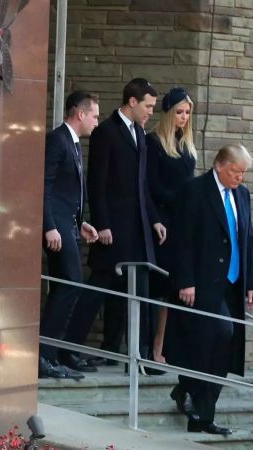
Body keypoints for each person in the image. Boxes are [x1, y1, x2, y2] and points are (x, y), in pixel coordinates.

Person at [64, 78, 166, 368]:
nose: (150, 112)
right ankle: (68, 347)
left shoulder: (140, 134)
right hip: (114, 227)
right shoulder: (106, 132)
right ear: (132, 102)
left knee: (132, 289)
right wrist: (102, 223)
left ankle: (122, 351)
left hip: (138, 227)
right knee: (99, 286)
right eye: (147, 106)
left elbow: (141, 184)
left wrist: (155, 219)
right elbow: (97, 181)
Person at [166, 143, 253, 436]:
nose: (239, 178)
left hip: (232, 285)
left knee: (223, 349)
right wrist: (185, 280)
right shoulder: (193, 190)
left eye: (243, 173)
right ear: (219, 165)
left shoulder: (242, 195)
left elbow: (247, 241)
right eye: (235, 171)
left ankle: (202, 416)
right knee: (214, 336)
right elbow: (181, 239)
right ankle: (188, 390)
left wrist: (251, 282)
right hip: (201, 283)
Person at [39, 91, 101, 379]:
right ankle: (44, 354)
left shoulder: (74, 144)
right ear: (80, 114)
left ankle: (49, 354)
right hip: (57, 227)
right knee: (69, 284)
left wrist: (81, 222)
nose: (96, 122)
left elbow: (68, 192)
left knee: (69, 286)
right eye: (95, 116)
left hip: (68, 225)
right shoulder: (58, 140)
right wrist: (49, 225)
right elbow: (45, 186)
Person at [145, 87, 197, 374]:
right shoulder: (154, 143)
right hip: (164, 221)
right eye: (179, 112)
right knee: (162, 289)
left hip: (183, 223)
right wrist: (157, 218)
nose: (184, 118)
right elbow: (149, 187)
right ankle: (155, 349)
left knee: (179, 288)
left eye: (187, 113)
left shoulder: (187, 145)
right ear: (168, 113)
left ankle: (167, 348)